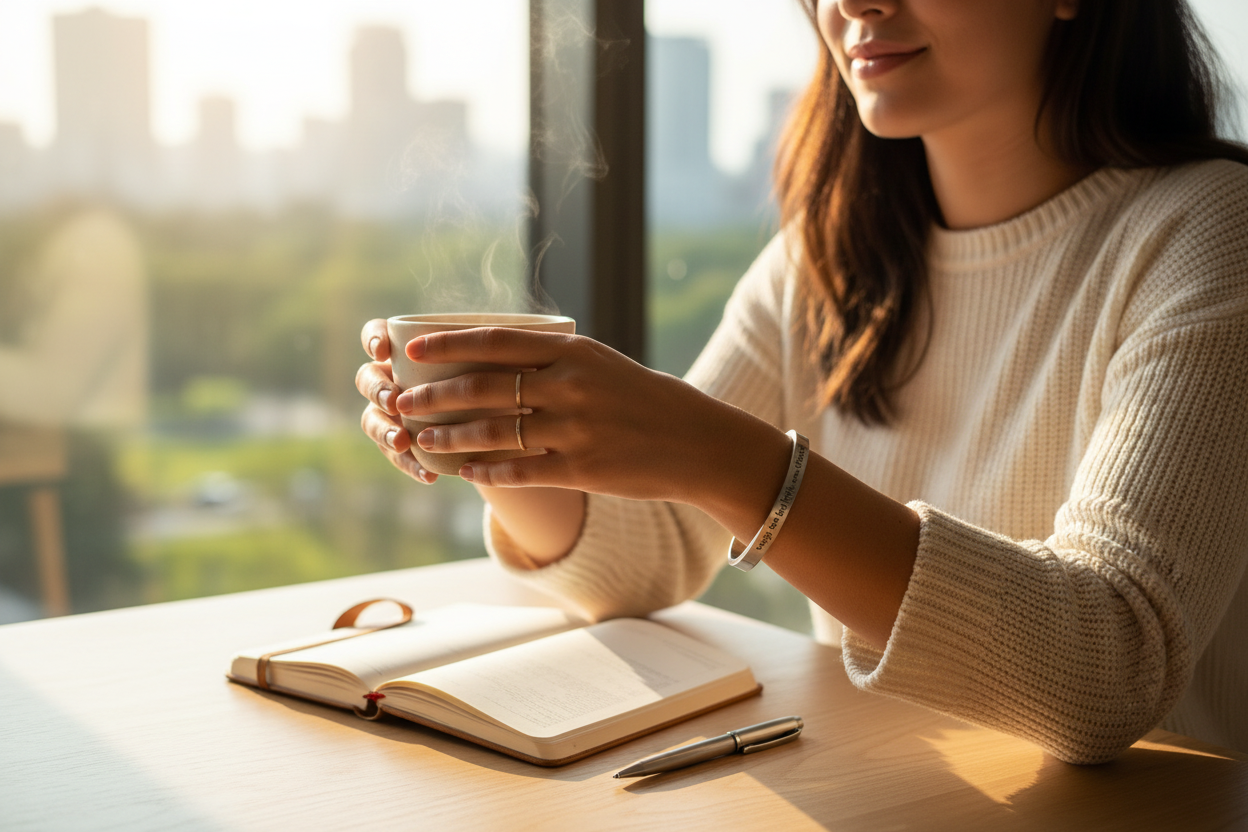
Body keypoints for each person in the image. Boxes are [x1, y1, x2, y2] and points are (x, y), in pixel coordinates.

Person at [355, 0, 1248, 764]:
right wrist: (491, 437)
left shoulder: (1210, 232)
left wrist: (728, 462)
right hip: (892, 793)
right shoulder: (822, 262)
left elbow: (1106, 665)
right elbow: (651, 554)